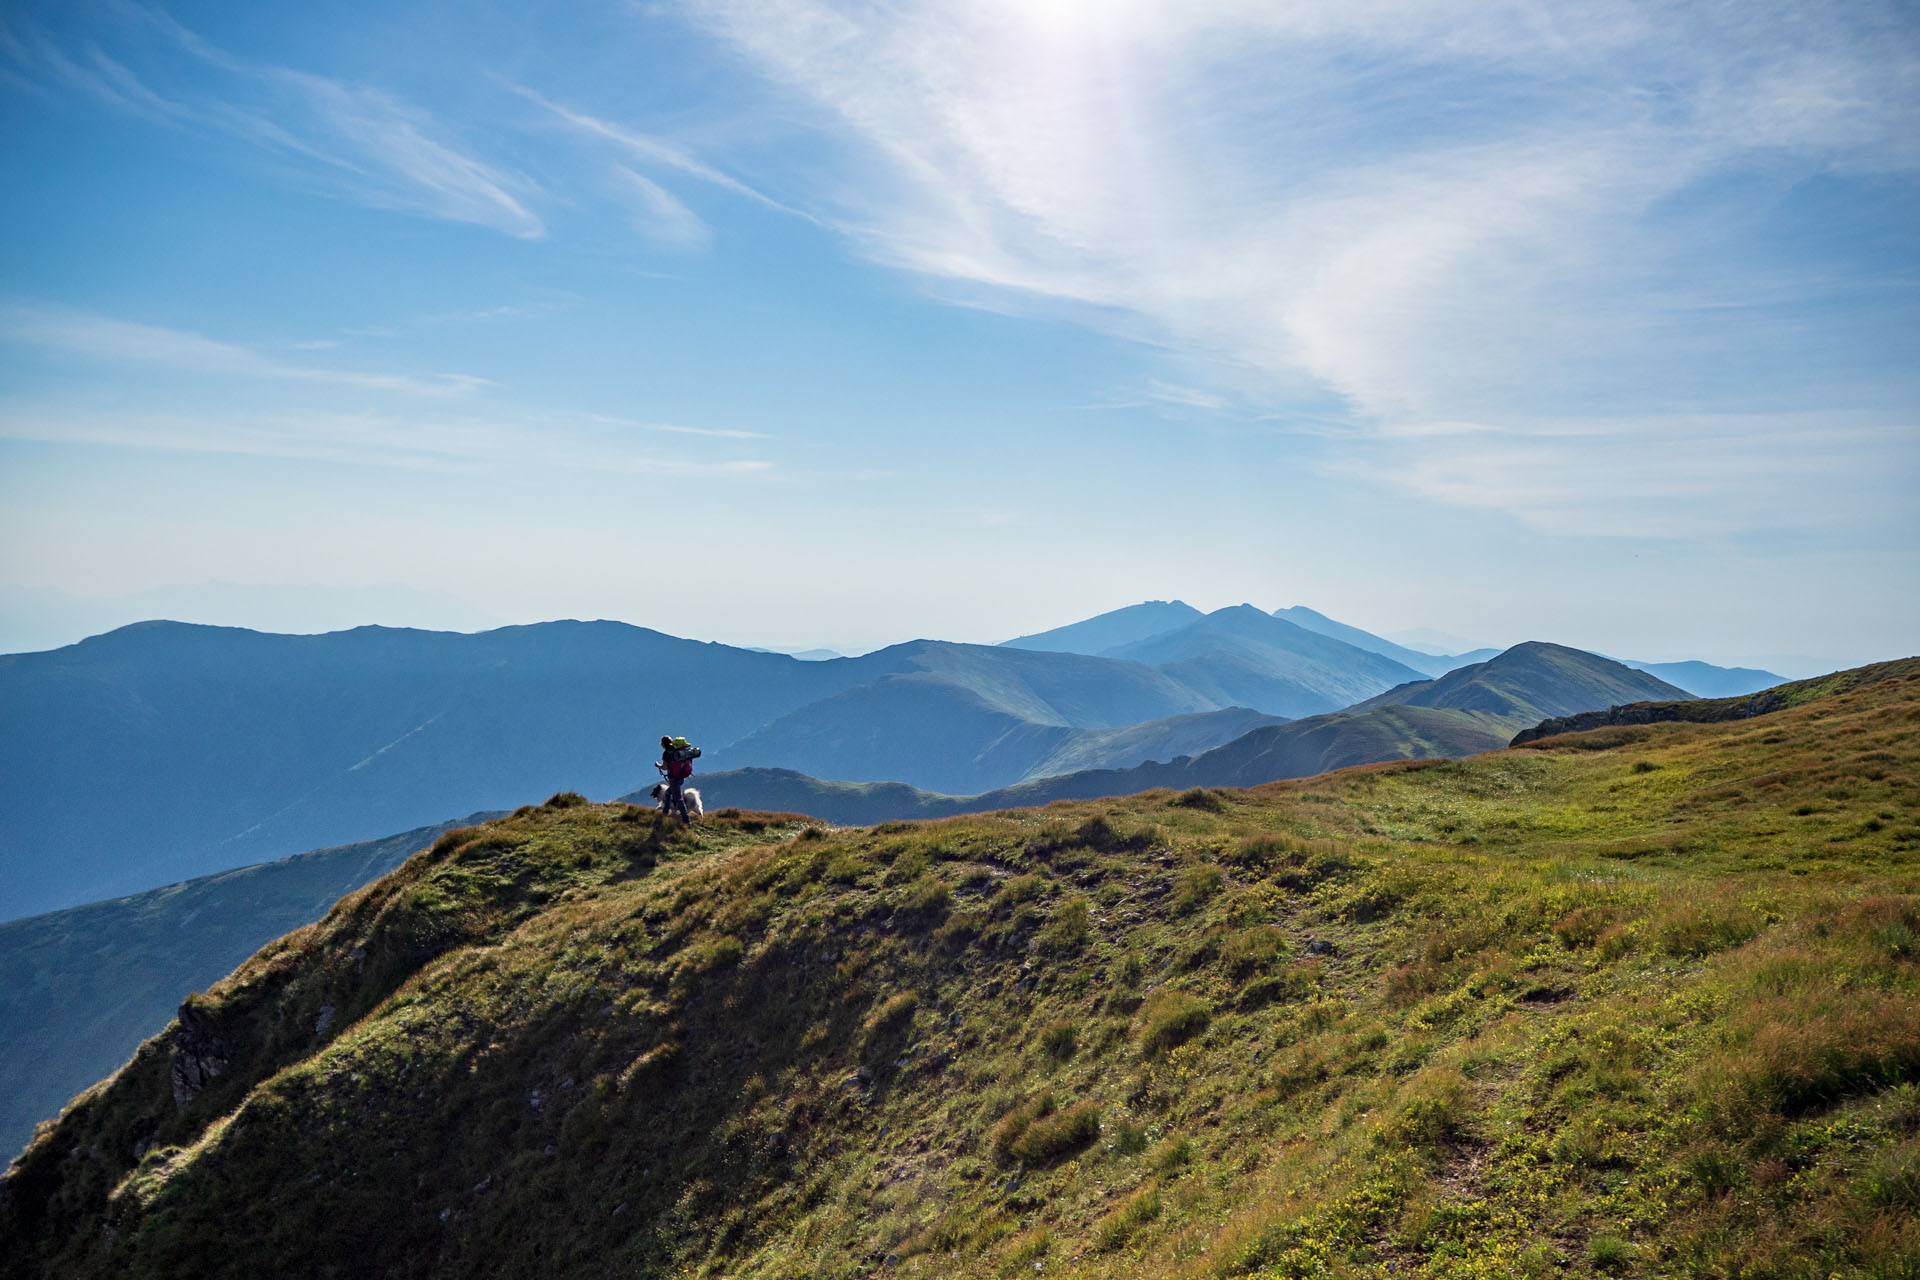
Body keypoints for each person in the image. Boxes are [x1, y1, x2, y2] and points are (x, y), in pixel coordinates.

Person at [657, 734, 696, 822]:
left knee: (678, 799)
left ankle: (686, 819)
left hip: (674, 778)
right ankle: (665, 813)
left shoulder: (666, 753)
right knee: (667, 793)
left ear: (663, 744)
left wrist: (658, 765)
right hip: (681, 776)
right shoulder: (677, 750)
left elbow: (665, 767)